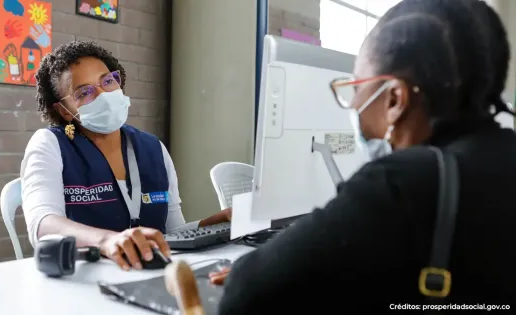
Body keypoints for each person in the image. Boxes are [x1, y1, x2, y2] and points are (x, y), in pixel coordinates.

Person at [213, 0, 516, 313]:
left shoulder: (402, 183)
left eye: (355, 86)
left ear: (395, 99)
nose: (353, 104)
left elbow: (245, 294)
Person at [21, 41, 231, 270]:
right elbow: (42, 224)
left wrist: (209, 225)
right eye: (84, 92)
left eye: (108, 81)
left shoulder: (153, 149)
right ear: (64, 110)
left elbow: (171, 232)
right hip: (88, 279)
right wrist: (106, 240)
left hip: (149, 274)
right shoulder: (51, 144)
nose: (103, 94)